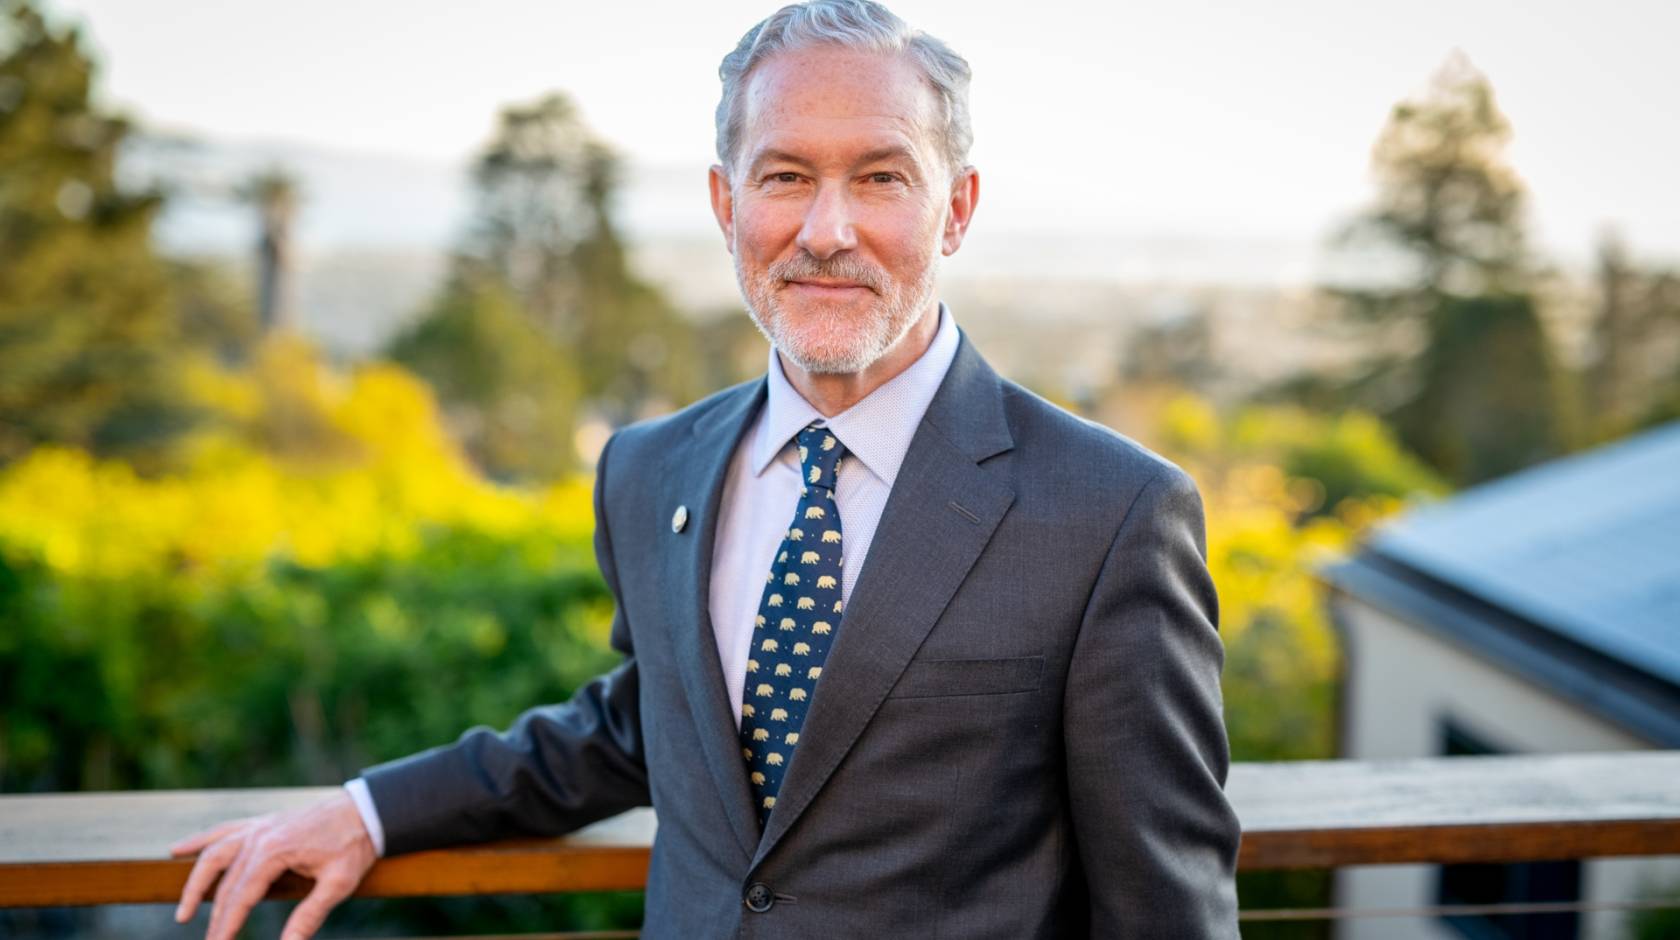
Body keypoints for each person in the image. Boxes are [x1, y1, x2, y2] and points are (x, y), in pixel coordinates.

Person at [169, 1, 1242, 937]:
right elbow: (644, 728)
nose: (826, 230)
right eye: (786, 177)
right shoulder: (647, 471)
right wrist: (368, 813)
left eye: (880, 178)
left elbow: (1166, 909)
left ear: (955, 207)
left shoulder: (1111, 513)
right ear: (728, 205)